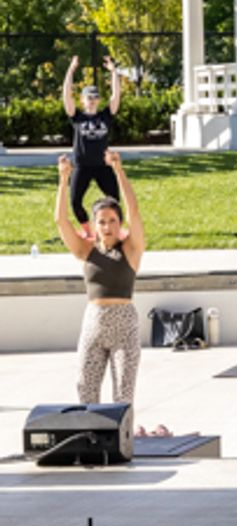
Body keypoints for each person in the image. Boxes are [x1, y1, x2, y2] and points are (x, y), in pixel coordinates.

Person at [55, 150, 144, 406]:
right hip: (93, 322)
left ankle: (120, 444)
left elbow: (135, 212)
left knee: (122, 395)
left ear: (120, 222)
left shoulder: (131, 249)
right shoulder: (87, 250)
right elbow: (61, 221)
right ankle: (91, 443)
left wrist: (119, 171)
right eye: (102, 222)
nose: (108, 227)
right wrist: (63, 180)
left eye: (113, 221)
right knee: (85, 389)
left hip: (124, 324)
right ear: (94, 225)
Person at [62, 55, 122, 234]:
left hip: (103, 166)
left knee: (115, 201)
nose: (92, 100)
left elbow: (116, 95)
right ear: (83, 100)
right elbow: (66, 95)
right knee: (75, 202)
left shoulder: (105, 115)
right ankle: (89, 231)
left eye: (95, 97)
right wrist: (71, 70)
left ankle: (113, 230)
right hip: (82, 166)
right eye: (89, 98)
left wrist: (113, 73)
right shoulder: (77, 117)